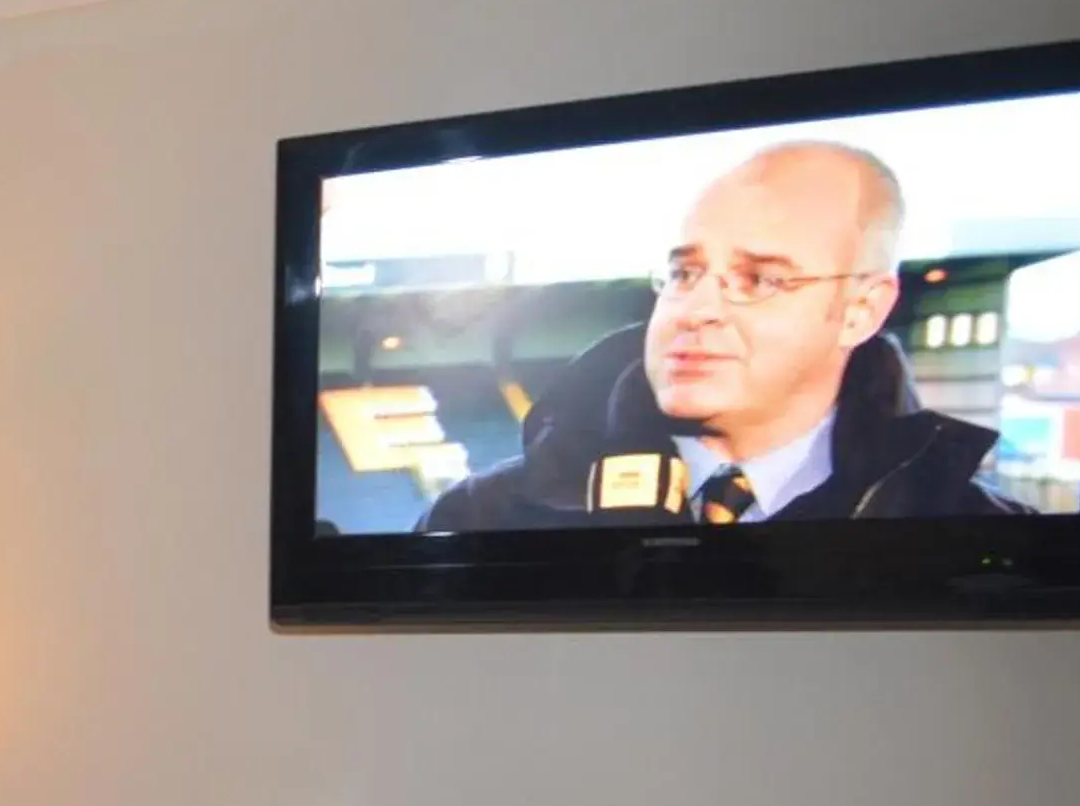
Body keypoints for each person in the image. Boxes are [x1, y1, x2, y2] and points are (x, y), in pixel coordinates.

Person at [418, 142, 1019, 529]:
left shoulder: (976, 532)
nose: (695, 309)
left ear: (862, 308)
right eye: (685, 273)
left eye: (759, 279)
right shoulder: (480, 516)